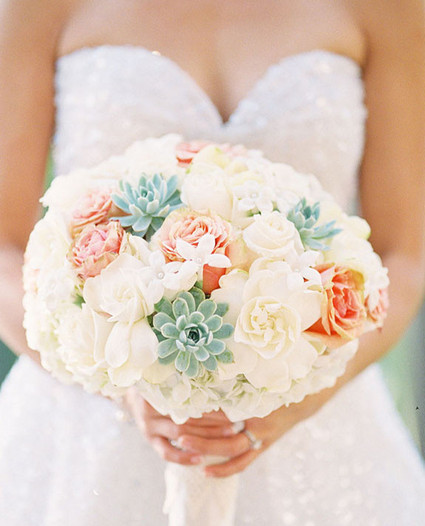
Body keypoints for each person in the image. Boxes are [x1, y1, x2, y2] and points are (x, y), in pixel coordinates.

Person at [0, 0, 425, 524]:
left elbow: (403, 258)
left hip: (314, 427)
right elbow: (3, 250)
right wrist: (123, 384)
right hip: (84, 432)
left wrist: (304, 392)